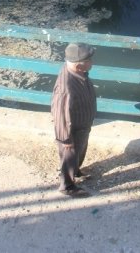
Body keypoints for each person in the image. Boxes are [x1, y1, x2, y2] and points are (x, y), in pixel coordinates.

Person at [50, 42, 97, 197]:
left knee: (80, 150)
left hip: (82, 124)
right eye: (89, 60)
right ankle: (67, 186)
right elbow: (60, 115)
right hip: (72, 130)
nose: (92, 62)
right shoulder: (66, 88)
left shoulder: (76, 72)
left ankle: (76, 171)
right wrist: (66, 140)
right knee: (69, 155)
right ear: (79, 66)